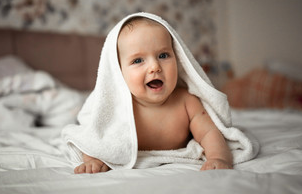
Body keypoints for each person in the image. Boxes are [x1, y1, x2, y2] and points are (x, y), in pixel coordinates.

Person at [74, 17, 233, 174]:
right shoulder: (119, 107)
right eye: (138, 60)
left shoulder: (187, 102)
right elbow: (94, 135)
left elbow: (209, 133)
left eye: (163, 56)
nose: (154, 67)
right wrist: (93, 160)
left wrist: (218, 157)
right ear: (119, 72)